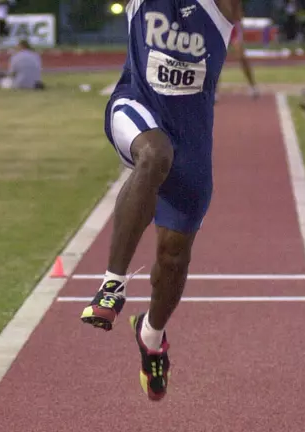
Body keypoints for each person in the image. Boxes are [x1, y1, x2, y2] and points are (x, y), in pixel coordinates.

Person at [79, 0, 242, 401]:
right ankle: (112, 286)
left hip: (193, 136)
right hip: (136, 105)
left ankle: (151, 335)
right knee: (154, 156)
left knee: (173, 257)